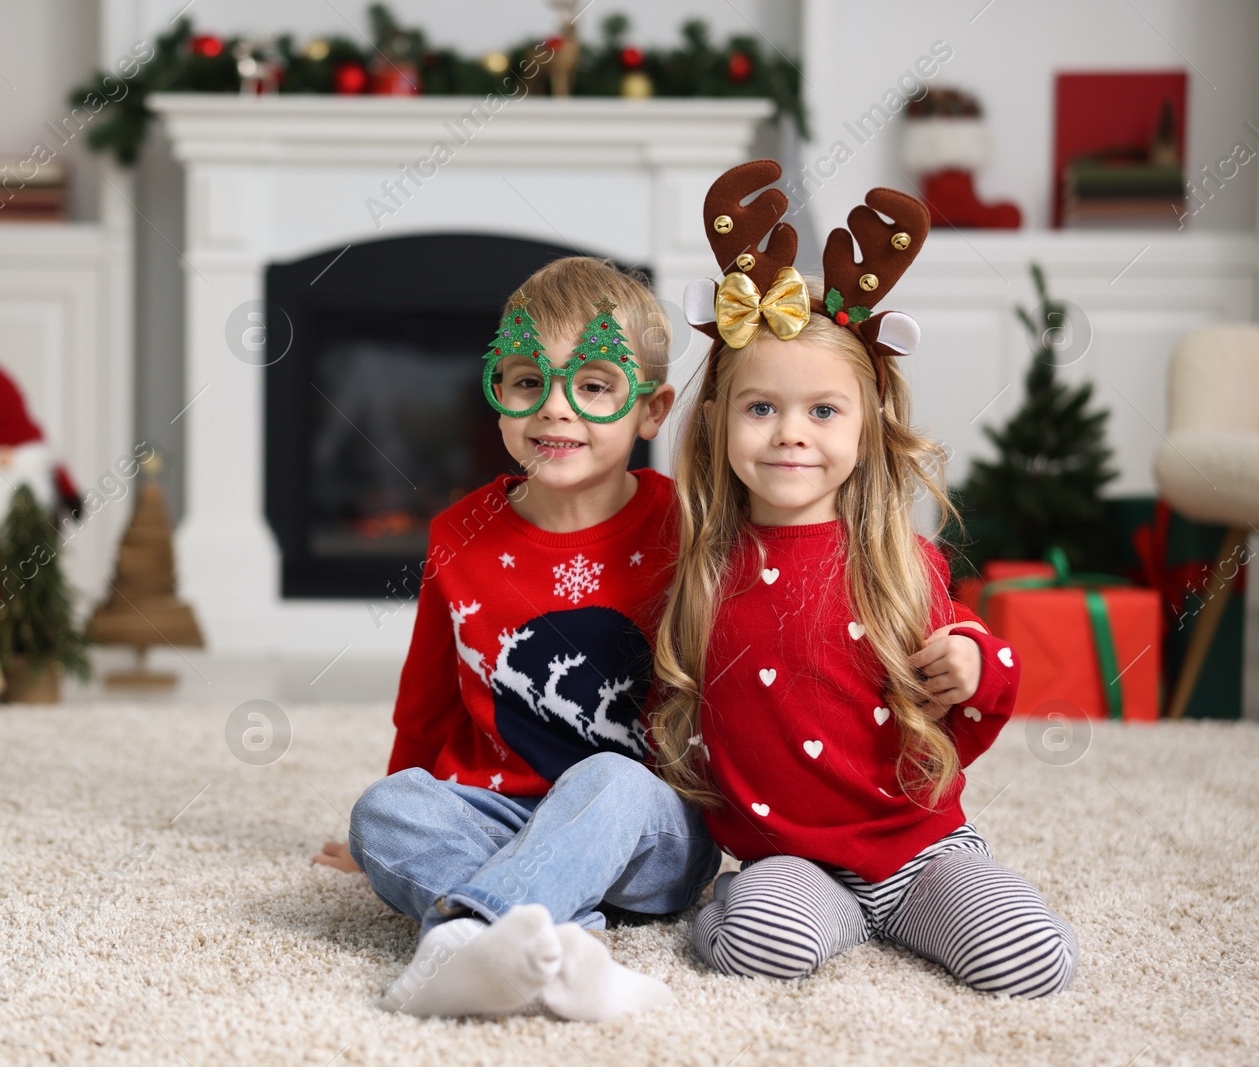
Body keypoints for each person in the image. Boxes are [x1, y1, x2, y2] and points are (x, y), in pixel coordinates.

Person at [649, 160, 1077, 998]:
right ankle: (761, 911)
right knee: (758, 947)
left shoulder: (895, 559)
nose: (789, 434)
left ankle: (928, 908)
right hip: (789, 859)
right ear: (720, 420)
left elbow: (973, 674)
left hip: (919, 847)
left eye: (822, 410)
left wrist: (974, 664)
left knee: (1032, 959)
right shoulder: (702, 566)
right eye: (761, 407)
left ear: (868, 426)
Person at [314, 256, 721, 1021]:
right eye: (528, 381)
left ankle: (463, 935)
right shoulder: (458, 533)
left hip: (644, 828)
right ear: (498, 395)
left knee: (614, 777)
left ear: (652, 409)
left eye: (595, 386)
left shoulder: (689, 529)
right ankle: (563, 948)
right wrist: (379, 835)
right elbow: (427, 701)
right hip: (497, 814)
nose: (556, 409)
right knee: (385, 810)